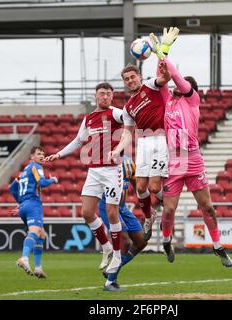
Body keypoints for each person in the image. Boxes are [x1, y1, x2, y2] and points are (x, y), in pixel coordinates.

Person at [148, 32, 232, 267]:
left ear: (189, 88)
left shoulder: (192, 99)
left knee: (207, 206)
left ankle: (218, 246)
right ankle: (166, 240)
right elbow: (163, 75)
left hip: (193, 158)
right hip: (174, 160)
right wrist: (161, 52)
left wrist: (162, 50)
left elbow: (173, 74)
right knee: (169, 210)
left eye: (182, 84)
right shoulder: (167, 99)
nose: (176, 85)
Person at [44, 82, 125, 284]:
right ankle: (106, 247)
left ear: (112, 96)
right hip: (94, 169)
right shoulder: (89, 119)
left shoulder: (116, 113)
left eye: (108, 93)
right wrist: (59, 154)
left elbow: (129, 119)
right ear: (95, 96)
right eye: (102, 94)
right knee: (87, 212)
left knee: (112, 212)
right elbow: (78, 141)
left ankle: (117, 254)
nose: (105, 97)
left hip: (112, 168)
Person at [108, 27, 180, 241]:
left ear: (139, 76)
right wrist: (118, 150)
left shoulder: (151, 85)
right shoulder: (129, 106)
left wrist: (163, 52)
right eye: (126, 79)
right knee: (140, 187)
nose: (130, 81)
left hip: (160, 140)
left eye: (132, 77)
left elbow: (165, 76)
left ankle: (169, 206)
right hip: (144, 143)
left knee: (154, 186)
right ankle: (149, 217)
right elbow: (127, 134)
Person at [98, 155, 147, 291]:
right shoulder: (105, 160)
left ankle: (112, 270)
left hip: (122, 206)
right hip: (108, 204)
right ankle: (110, 282)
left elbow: (136, 183)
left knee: (141, 242)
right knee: (124, 241)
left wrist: (146, 205)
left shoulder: (129, 161)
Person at [9, 146, 58, 278]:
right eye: (38, 154)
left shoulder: (24, 171)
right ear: (32, 156)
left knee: (41, 235)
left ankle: (38, 268)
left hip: (25, 206)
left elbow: (12, 188)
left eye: (43, 154)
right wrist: (53, 180)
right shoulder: (36, 167)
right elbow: (42, 182)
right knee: (35, 232)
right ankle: (24, 258)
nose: (42, 156)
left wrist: (21, 204)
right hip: (33, 205)